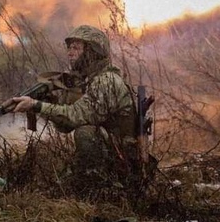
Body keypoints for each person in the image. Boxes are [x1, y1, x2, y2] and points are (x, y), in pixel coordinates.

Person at [11, 25, 142, 189]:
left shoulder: (107, 80)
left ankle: (96, 187)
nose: (70, 52)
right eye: (69, 47)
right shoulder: (90, 80)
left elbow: (75, 116)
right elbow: (64, 126)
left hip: (124, 158)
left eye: (76, 48)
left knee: (86, 133)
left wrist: (36, 105)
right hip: (114, 152)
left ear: (92, 52)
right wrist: (47, 104)